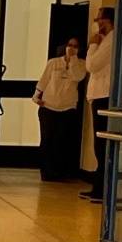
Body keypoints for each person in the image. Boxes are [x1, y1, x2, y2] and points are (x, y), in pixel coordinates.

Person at [34, 36, 87, 182]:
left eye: (75, 46)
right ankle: (46, 172)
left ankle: (59, 172)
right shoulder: (53, 62)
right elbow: (44, 80)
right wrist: (36, 96)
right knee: (47, 140)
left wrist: (73, 60)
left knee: (61, 141)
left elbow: (77, 77)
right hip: (48, 106)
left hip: (67, 108)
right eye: (69, 45)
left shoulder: (82, 64)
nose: (71, 48)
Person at [82, 5, 117, 202]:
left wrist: (93, 46)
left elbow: (92, 65)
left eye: (99, 19)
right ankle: (98, 185)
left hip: (104, 95)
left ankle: (102, 189)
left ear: (107, 21)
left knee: (102, 144)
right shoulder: (106, 40)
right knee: (98, 144)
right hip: (98, 94)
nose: (96, 23)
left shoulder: (110, 40)